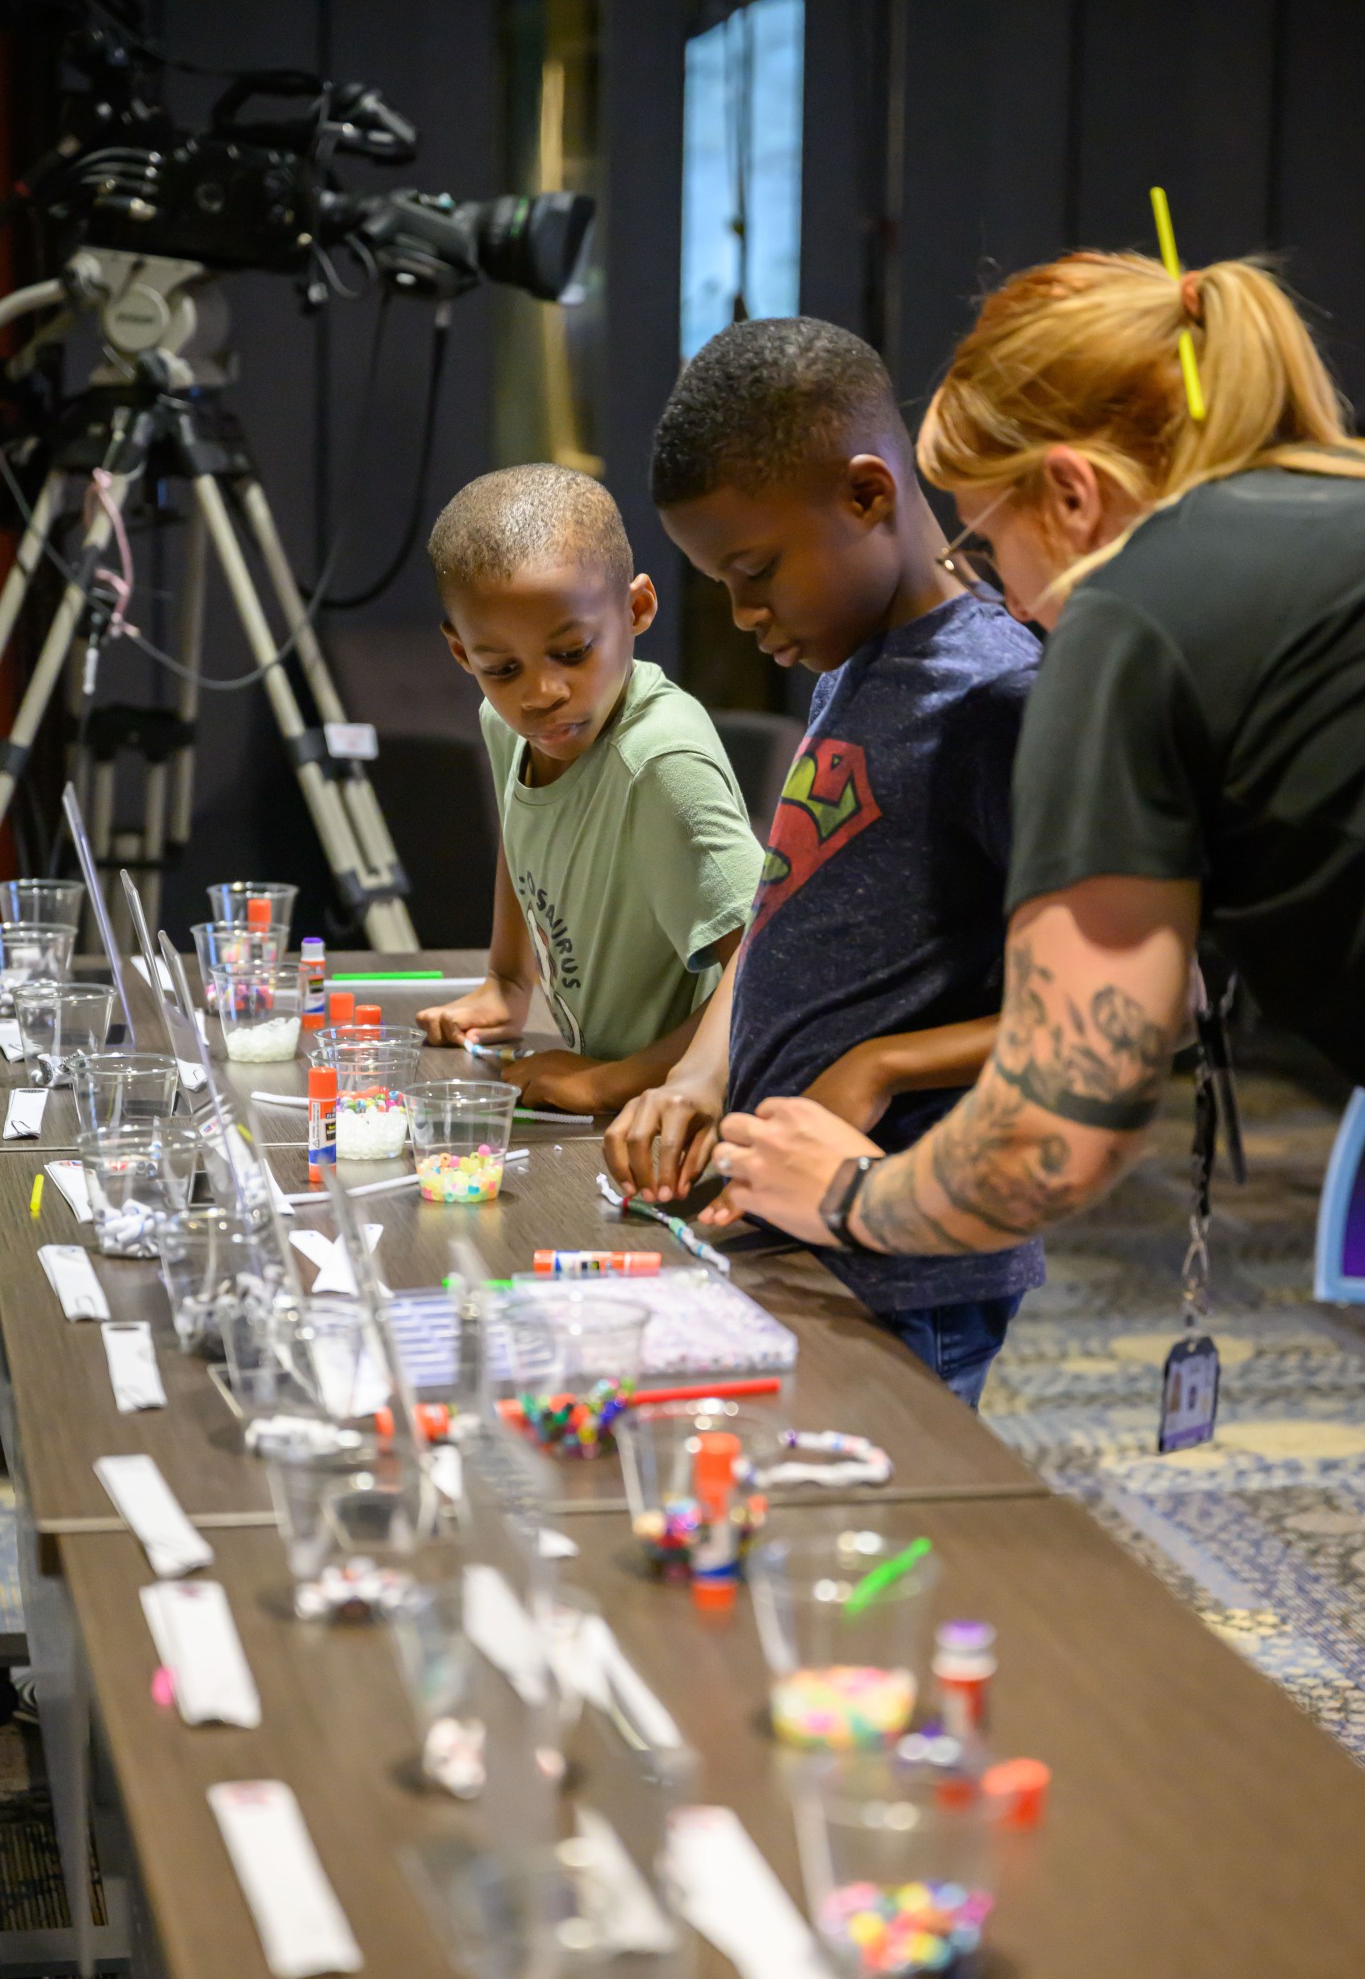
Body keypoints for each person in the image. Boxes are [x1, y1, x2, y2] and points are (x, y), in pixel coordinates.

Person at [705, 251, 1365, 1263]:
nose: (1011, 602)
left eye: (987, 538)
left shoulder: (1131, 611)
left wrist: (844, 1192)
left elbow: (1054, 1135)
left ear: (1069, 495)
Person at [604, 318, 1044, 1405]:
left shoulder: (1000, 695)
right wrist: (702, 1071)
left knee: (892, 1531)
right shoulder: (857, 662)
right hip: (790, 1219)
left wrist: (882, 1065)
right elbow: (780, 908)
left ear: (865, 496)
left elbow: (1110, 1009)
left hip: (911, 1255)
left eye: (755, 571)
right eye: (721, 583)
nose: (746, 614)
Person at [419, 463, 762, 1115]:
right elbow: (523, 838)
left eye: (571, 652)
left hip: (688, 1104)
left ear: (635, 609)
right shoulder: (507, 724)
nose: (540, 693)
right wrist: (507, 980)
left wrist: (612, 1080)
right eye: (502, 668)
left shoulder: (660, 760)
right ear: (463, 654)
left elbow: (767, 964)